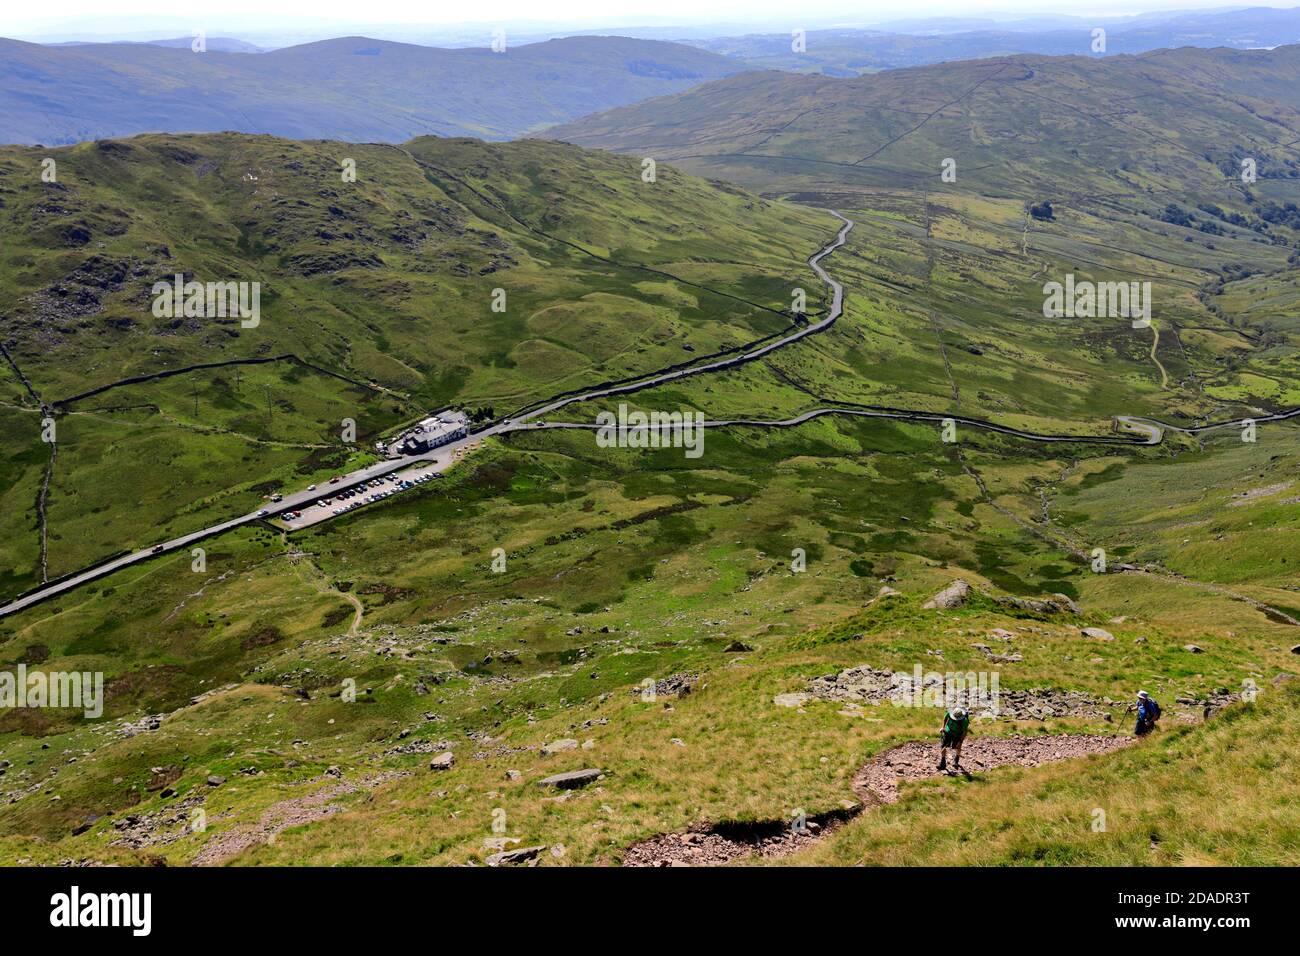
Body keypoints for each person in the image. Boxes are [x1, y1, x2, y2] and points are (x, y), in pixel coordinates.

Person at [938, 706, 970, 771]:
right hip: (948, 732)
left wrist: (960, 741)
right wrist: (943, 727)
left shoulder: (964, 721)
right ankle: (942, 762)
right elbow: (945, 718)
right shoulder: (949, 713)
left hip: (958, 734)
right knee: (943, 746)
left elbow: (964, 732)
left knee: (958, 747)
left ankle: (956, 759)